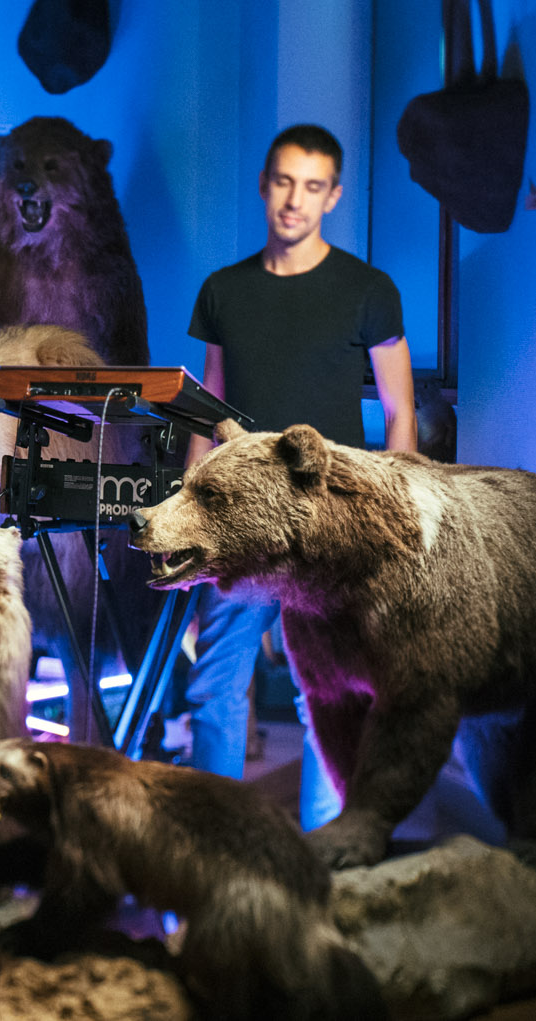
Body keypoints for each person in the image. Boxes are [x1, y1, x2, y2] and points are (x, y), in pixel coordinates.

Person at [184, 125, 414, 824]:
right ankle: (216, 842)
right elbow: (207, 412)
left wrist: (393, 519)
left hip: (330, 523)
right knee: (215, 685)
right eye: (284, 181)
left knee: (332, 694)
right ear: (263, 183)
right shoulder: (222, 290)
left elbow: (402, 410)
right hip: (238, 521)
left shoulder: (368, 290)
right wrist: (191, 518)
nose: (295, 200)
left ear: (334, 196)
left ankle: (321, 855)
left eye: (312, 186)